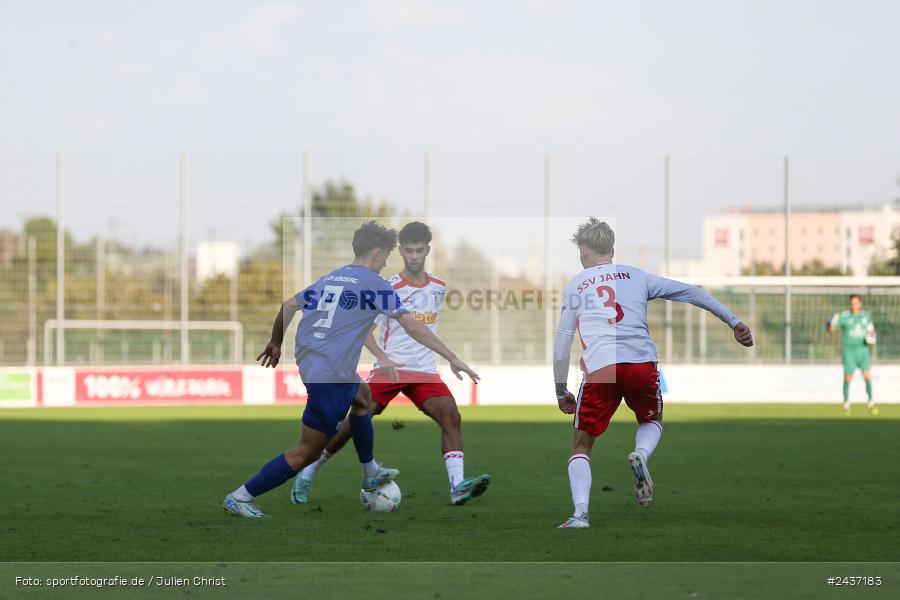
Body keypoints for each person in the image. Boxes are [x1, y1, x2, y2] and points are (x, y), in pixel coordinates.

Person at [223, 221, 479, 518]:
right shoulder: (376, 283)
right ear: (376, 253)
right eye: (385, 257)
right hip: (329, 376)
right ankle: (241, 496)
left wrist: (276, 342)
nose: (385, 263)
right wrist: (452, 357)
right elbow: (411, 326)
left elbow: (289, 305)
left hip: (319, 364)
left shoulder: (332, 278)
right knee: (306, 452)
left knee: (363, 398)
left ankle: (370, 471)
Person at [553, 218, 753, 529]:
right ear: (612, 248)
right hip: (640, 363)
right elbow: (691, 291)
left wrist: (560, 388)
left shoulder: (577, 284)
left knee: (582, 445)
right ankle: (641, 455)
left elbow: (563, 338)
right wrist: (733, 320)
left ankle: (580, 515)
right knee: (651, 420)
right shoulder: (637, 276)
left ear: (583, 251)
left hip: (601, 368)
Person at [292, 222, 490, 506]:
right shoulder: (387, 286)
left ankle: (457, 486)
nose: (413, 256)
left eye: (419, 250)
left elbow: (425, 329)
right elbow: (364, 329)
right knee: (354, 422)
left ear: (427, 250)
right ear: (400, 252)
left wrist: (451, 359)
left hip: (423, 371)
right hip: (389, 370)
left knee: (451, 415)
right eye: (408, 250)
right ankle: (308, 472)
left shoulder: (439, 287)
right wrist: (382, 357)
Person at [828, 295, 878, 415]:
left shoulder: (865, 316)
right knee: (848, 378)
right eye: (852, 303)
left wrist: (872, 337)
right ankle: (846, 404)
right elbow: (831, 329)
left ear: (860, 304)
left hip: (863, 351)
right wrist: (832, 321)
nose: (854, 305)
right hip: (849, 351)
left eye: (856, 303)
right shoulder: (845, 316)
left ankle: (871, 403)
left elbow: (872, 331)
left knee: (867, 376)